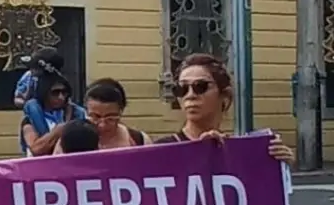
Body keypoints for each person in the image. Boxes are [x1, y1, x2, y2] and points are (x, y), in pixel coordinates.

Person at [155, 53, 296, 165]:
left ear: (224, 95)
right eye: (182, 88)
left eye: (200, 86)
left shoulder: (242, 152)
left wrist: (279, 167)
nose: (190, 95)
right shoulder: (160, 152)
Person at [30, 78, 145, 155]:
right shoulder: (70, 140)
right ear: (85, 111)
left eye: (111, 118)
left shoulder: (138, 140)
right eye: (95, 117)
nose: (102, 125)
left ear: (121, 111)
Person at [20, 52, 85, 157]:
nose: (61, 97)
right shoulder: (30, 118)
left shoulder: (77, 113)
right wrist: (58, 131)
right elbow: (36, 149)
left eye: (64, 92)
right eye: (55, 93)